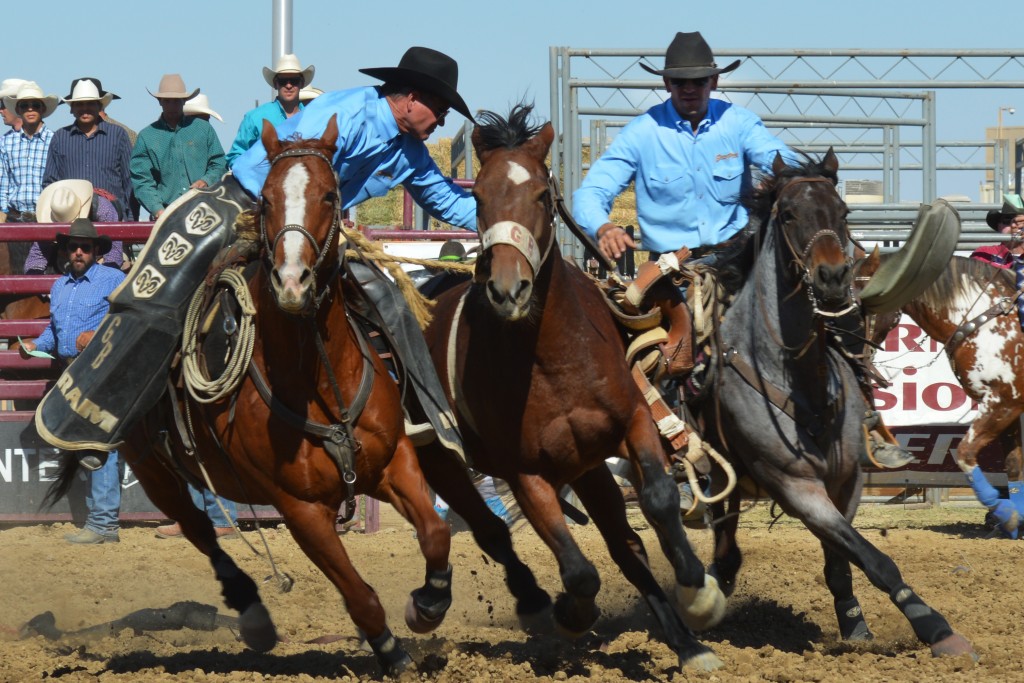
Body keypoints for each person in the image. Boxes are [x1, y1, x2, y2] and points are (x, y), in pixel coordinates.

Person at [34, 46, 475, 479]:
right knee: (165, 292)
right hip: (244, 202)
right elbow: (293, 163)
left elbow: (447, 201)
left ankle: (432, 419)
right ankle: (96, 413)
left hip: (309, 232)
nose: (442, 120)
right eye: (440, 108)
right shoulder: (350, 111)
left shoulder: (411, 154)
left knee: (391, 300)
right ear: (412, 98)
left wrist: (506, 219)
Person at [573, 31, 912, 474]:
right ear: (667, 86)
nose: (689, 89)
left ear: (714, 82)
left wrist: (803, 181)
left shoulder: (739, 124)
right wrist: (603, 225)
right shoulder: (641, 134)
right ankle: (670, 440)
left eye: (698, 81)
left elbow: (780, 161)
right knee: (662, 348)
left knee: (832, 304)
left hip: (742, 255)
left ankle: (867, 417)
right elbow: (591, 191)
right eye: (680, 82)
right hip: (677, 267)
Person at [20, 218, 126, 544]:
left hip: (101, 370)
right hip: (72, 374)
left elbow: (128, 319)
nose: (79, 252)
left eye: (86, 247)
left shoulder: (114, 279)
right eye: (73, 246)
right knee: (87, 444)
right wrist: (36, 345)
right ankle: (101, 520)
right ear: (65, 250)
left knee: (97, 443)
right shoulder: (59, 285)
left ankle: (104, 522)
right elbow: (54, 329)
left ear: (97, 251)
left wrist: (97, 334)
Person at [131, 75, 227, 220]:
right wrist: (158, 209)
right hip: (166, 212)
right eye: (167, 101)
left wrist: (206, 181)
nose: (172, 106)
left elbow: (219, 163)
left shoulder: (203, 129)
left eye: (176, 101)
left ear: (184, 101)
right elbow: (142, 180)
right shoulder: (146, 137)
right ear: (159, 102)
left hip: (205, 209)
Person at [42, 78, 134, 220]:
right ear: (71, 108)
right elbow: (50, 183)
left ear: (99, 106)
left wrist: (130, 220)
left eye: (90, 103)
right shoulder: (60, 138)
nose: (85, 108)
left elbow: (129, 181)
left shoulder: (118, 135)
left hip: (112, 218)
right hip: (72, 219)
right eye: (79, 104)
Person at [0, 82, 58, 258]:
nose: (30, 109)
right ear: (18, 110)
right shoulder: (5, 142)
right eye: (25, 105)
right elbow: (3, 182)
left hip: (46, 218)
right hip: (15, 218)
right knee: (17, 275)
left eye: (35, 105)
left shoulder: (55, 141)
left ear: (42, 109)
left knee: (47, 274)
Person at [225, 53, 314, 167]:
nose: (288, 85)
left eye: (294, 80)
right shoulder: (255, 118)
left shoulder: (312, 119)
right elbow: (235, 157)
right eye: (283, 81)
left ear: (301, 84)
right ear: (275, 84)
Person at [25, 179, 124, 273]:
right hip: (68, 257)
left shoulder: (103, 209)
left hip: (99, 256)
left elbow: (114, 252)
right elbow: (38, 253)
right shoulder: (57, 210)